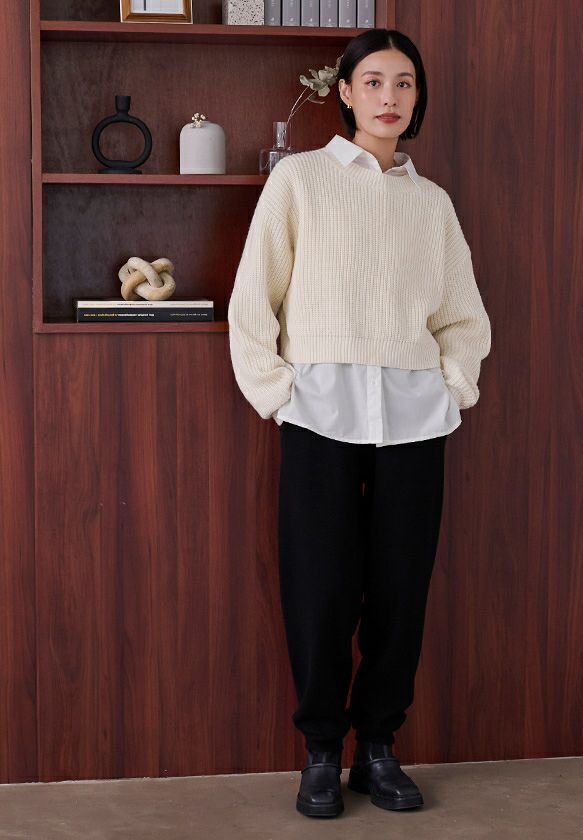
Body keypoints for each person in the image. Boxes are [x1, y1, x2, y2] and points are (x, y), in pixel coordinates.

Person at [228, 28, 491, 819]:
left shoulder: (431, 203)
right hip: (319, 415)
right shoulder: (300, 181)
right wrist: (279, 393)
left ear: (417, 97)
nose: (389, 97)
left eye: (403, 83)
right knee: (320, 589)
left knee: (400, 592)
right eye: (373, 81)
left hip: (414, 421)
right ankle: (320, 751)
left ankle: (378, 747)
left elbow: (463, 316)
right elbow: (254, 299)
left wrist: (452, 390)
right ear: (343, 92)